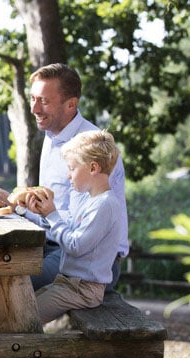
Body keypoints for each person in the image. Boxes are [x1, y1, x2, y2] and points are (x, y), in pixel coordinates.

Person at [0, 63, 129, 358]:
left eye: (43, 100)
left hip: (88, 260)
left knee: (3, 285)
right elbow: (49, 204)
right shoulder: (52, 135)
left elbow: (75, 227)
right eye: (32, 99)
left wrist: (28, 208)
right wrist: (17, 201)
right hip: (58, 245)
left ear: (71, 104)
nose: (34, 108)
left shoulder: (91, 150)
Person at [26, 130, 125, 322]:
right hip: (68, 283)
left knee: (24, 318)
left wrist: (52, 215)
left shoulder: (105, 205)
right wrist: (41, 213)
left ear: (93, 168)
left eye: (72, 168)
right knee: (20, 308)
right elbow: (68, 228)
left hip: (83, 289)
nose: (68, 175)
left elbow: (75, 246)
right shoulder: (91, 200)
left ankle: (35, 351)